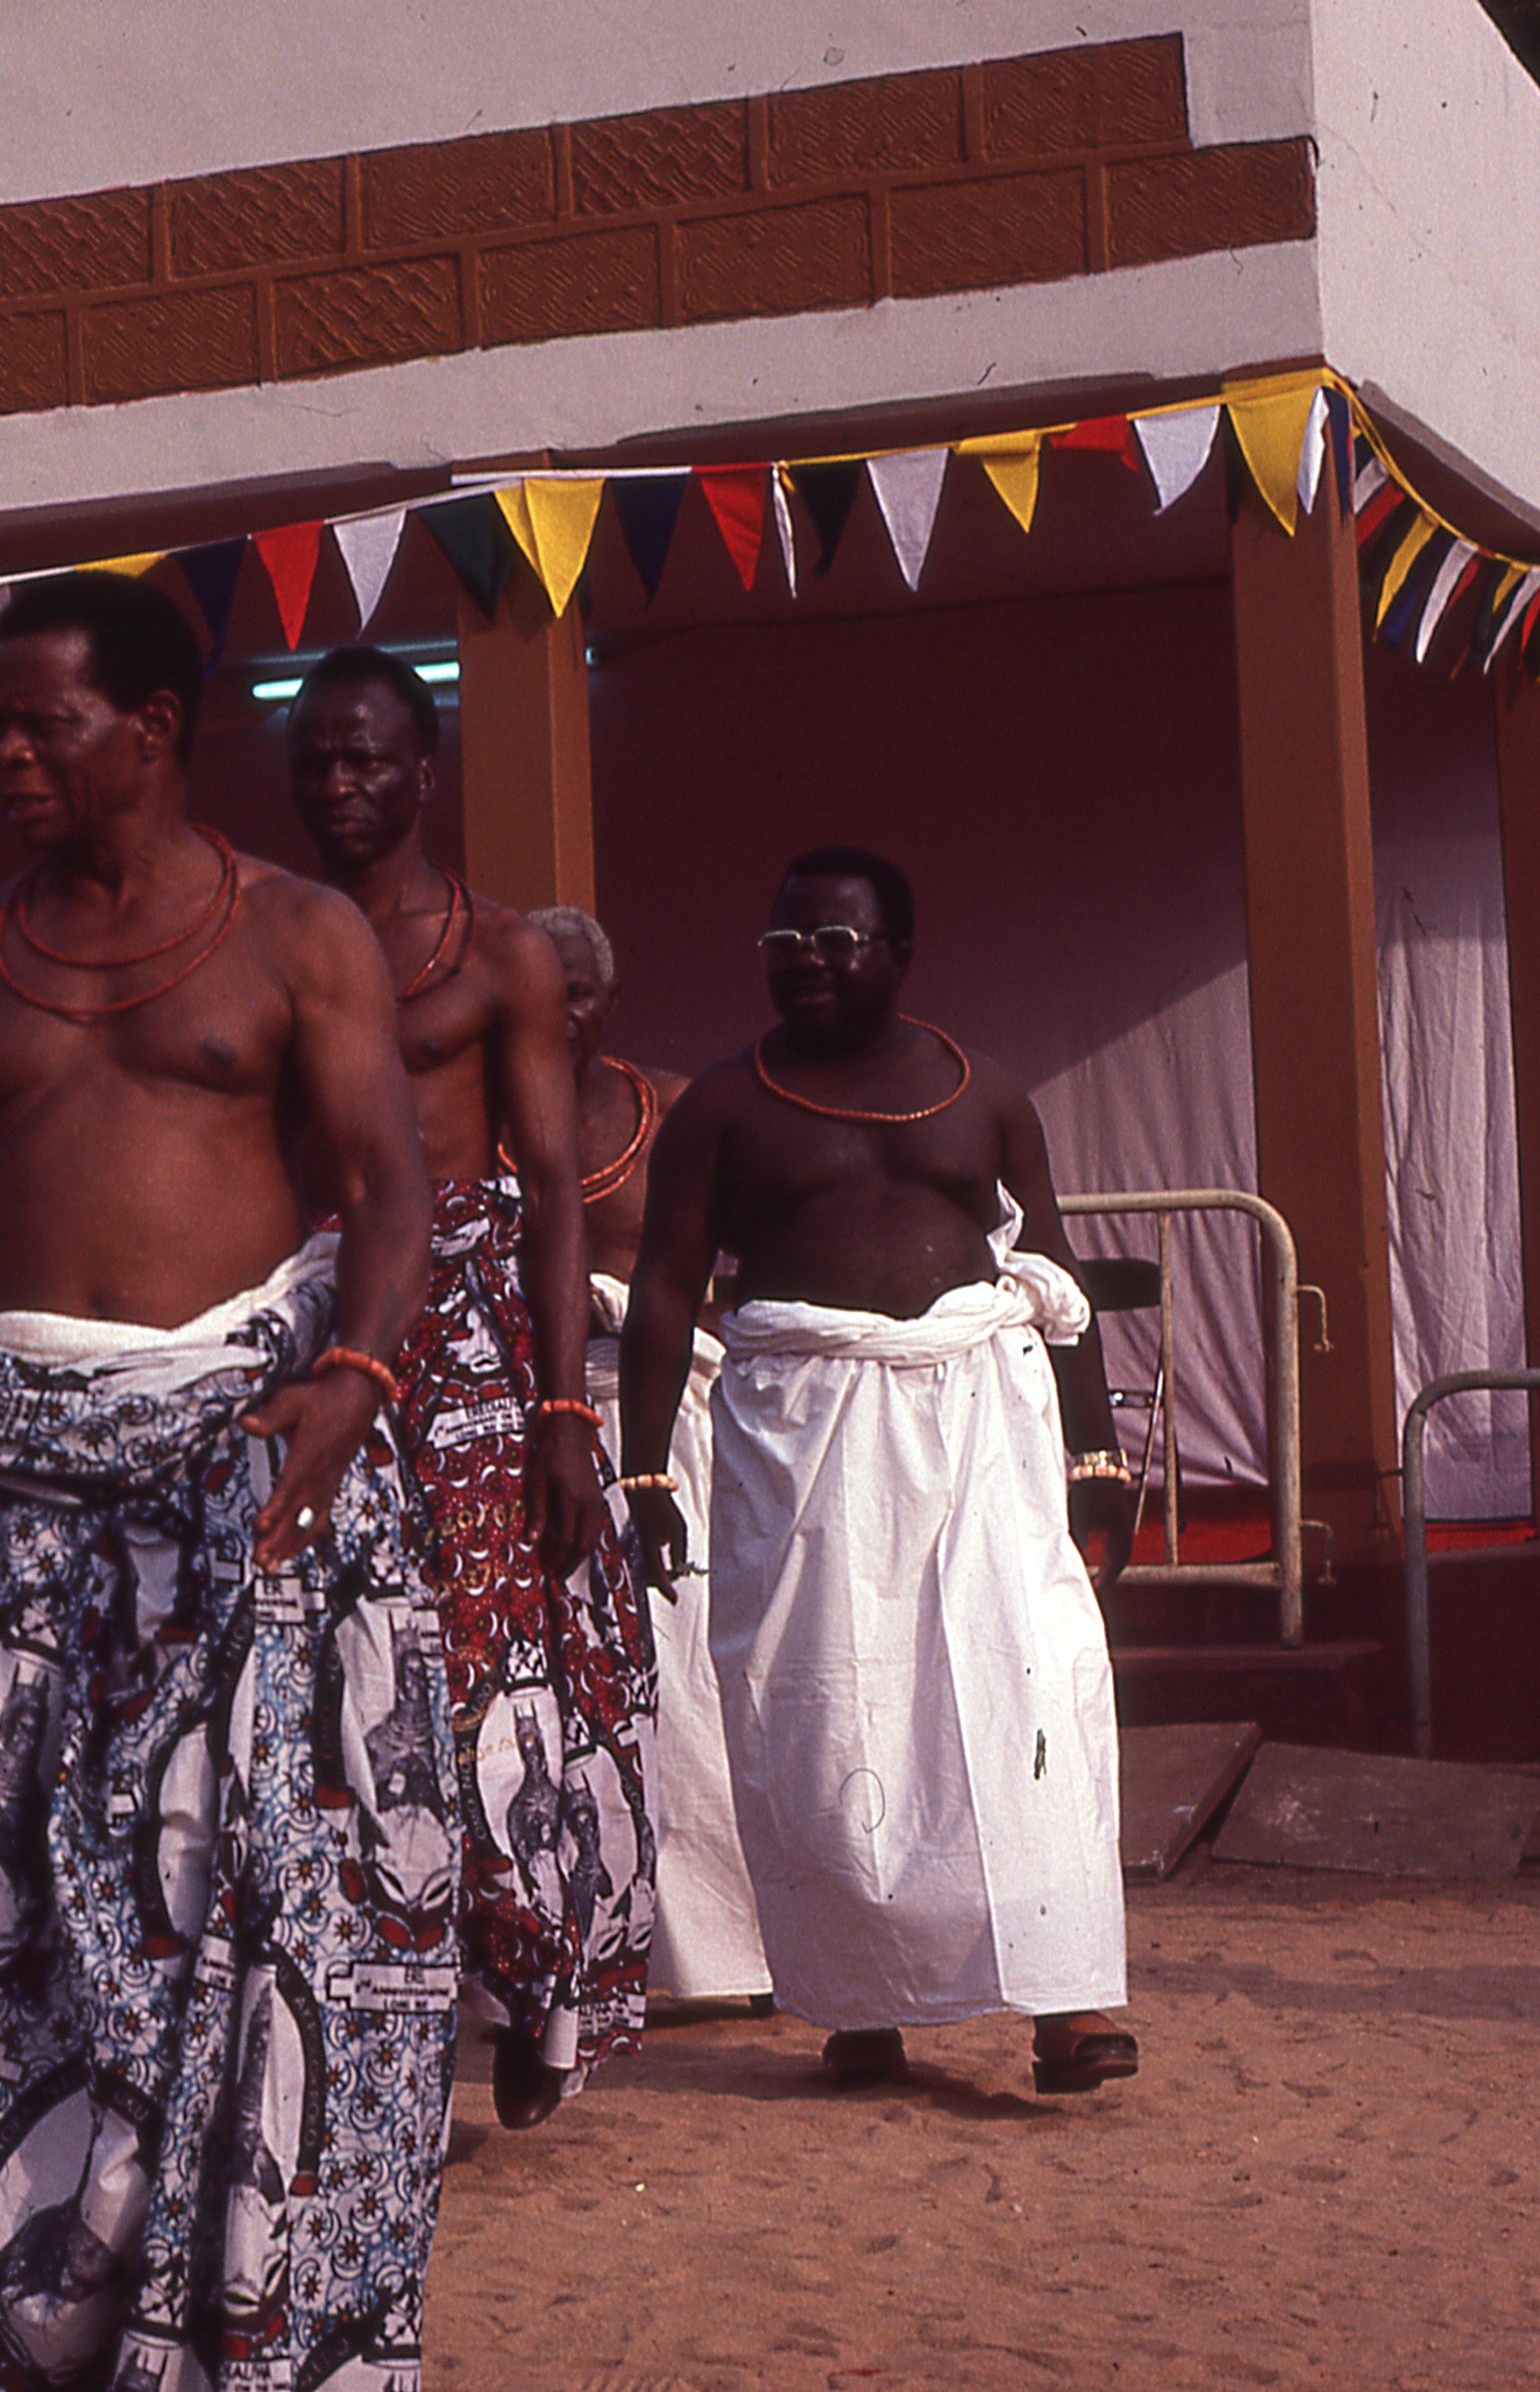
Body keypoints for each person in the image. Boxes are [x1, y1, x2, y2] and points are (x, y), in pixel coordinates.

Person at [0, 574, 446, 2392]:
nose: (5, 758)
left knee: (219, 1901)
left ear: (154, 728)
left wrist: (352, 1377)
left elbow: (386, 1191)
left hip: (231, 1468)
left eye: (44, 725)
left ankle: (215, 2317)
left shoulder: (299, 936)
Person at [618, 846, 1138, 2094]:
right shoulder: (721, 1107)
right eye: (783, 941)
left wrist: (1094, 1453)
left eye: (834, 941)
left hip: (980, 1425)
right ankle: (860, 2000)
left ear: (898, 953)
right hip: (799, 1438)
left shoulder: (983, 1092)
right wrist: (645, 1476)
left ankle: (1066, 2002)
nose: (803, 961)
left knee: (1034, 1691)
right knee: (824, 1714)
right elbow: (662, 1289)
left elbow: (1051, 1275)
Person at [284, 645, 647, 2129]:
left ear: (420, 773)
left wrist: (562, 1412)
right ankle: (385, 2004)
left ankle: (539, 1979)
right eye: (313, 759)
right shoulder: (264, 938)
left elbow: (551, 1186)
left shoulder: (496, 953)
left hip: (471, 1339)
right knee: (340, 1672)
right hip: (314, 1324)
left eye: (364, 758)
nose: (337, 783)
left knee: (499, 1660)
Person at [529, 904, 769, 2009]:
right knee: (561, 1695)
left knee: (697, 1676)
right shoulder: (461, 1124)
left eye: (575, 992)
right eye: (536, 993)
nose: (556, 1014)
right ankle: (575, 1955)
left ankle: (736, 1952)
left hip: (675, 1426)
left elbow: (756, 1261)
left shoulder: (673, 1109)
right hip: (532, 1435)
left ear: (609, 1000)